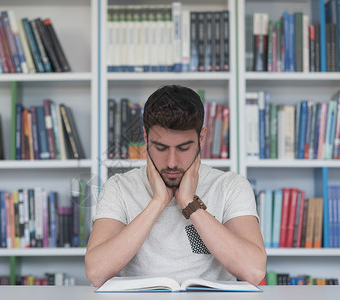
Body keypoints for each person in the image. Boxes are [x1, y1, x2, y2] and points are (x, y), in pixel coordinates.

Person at [85, 85, 266, 288]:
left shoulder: (230, 186)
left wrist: (189, 203)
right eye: (161, 148)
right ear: (145, 138)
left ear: (201, 138)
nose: (172, 162)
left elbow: (254, 271)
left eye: (183, 148)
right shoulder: (118, 187)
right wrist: (158, 202)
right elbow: (96, 273)